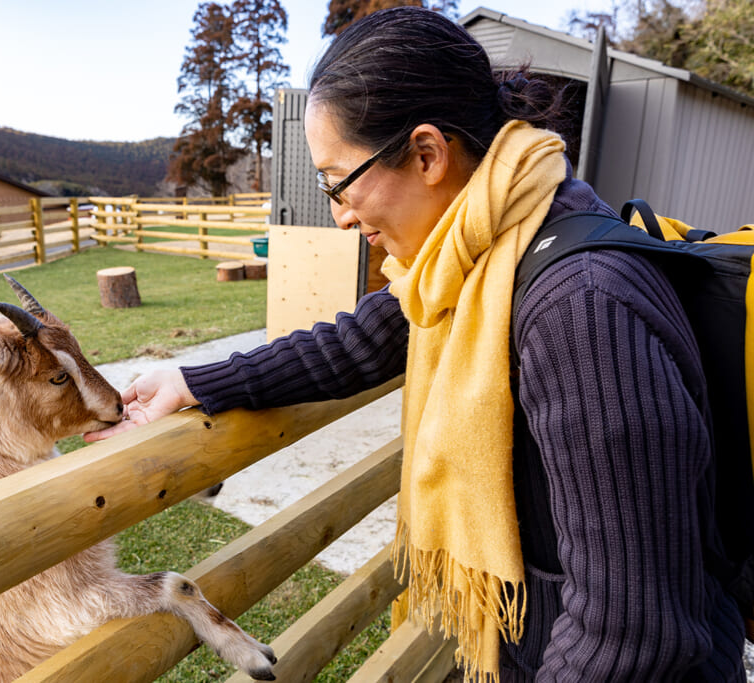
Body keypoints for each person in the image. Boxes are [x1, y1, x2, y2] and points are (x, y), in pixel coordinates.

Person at [86, 7, 746, 681]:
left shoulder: (579, 306)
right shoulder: (492, 241)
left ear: (428, 154)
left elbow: (630, 631)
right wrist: (197, 383)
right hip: (526, 640)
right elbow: (358, 343)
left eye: (339, 182)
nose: (340, 213)